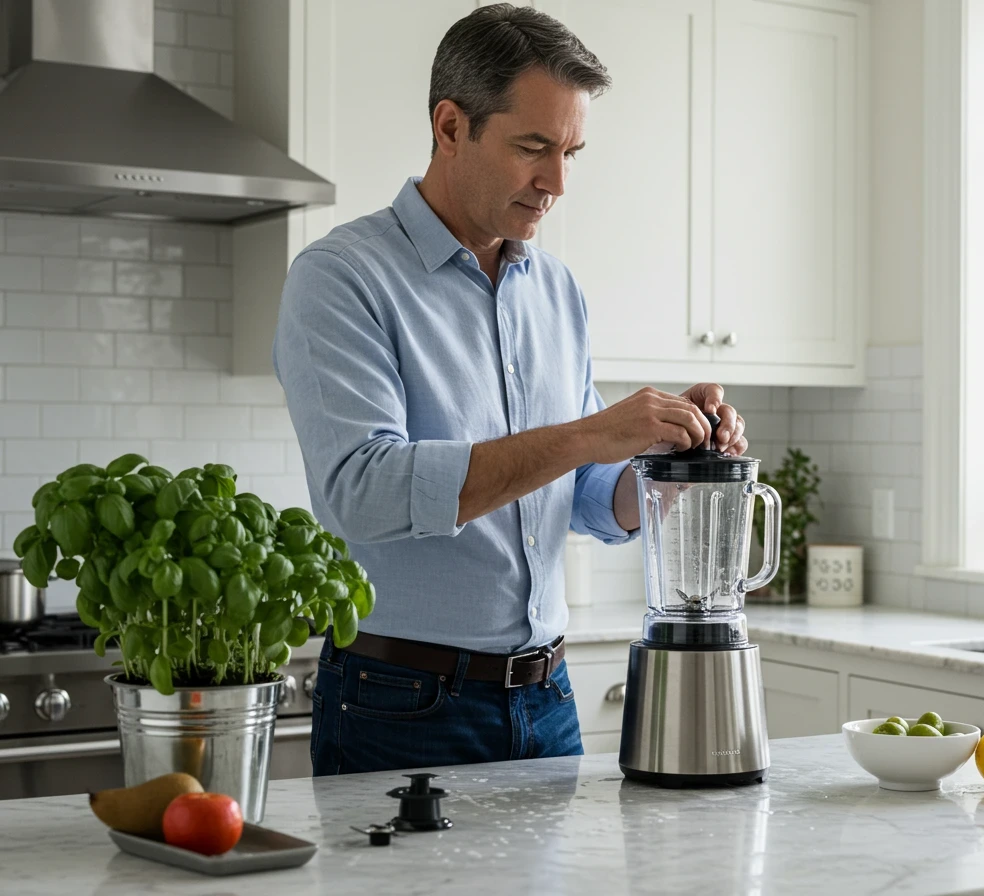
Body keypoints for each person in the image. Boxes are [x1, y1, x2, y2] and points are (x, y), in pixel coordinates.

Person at [273, 3, 749, 776]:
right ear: (451, 126)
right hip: (401, 704)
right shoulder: (341, 278)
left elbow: (587, 495)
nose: (557, 182)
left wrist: (665, 460)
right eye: (533, 147)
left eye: (571, 152)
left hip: (548, 698)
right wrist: (594, 433)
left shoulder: (556, 289)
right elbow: (361, 492)